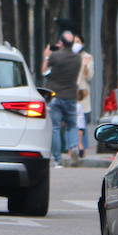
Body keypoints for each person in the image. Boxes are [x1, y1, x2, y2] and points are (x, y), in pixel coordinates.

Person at [42, 31, 82, 167]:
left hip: (55, 96)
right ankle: (74, 147)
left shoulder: (55, 56)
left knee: (55, 128)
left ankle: (58, 160)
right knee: (72, 125)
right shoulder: (78, 58)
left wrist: (46, 57)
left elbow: (44, 72)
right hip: (71, 95)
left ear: (61, 42)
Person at [72, 34, 95, 165]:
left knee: (82, 122)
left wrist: (85, 65)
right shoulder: (69, 56)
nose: (76, 44)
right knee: (71, 120)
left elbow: (89, 77)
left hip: (82, 94)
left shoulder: (88, 57)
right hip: (70, 92)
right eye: (74, 41)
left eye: (78, 41)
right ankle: (72, 148)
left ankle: (82, 148)